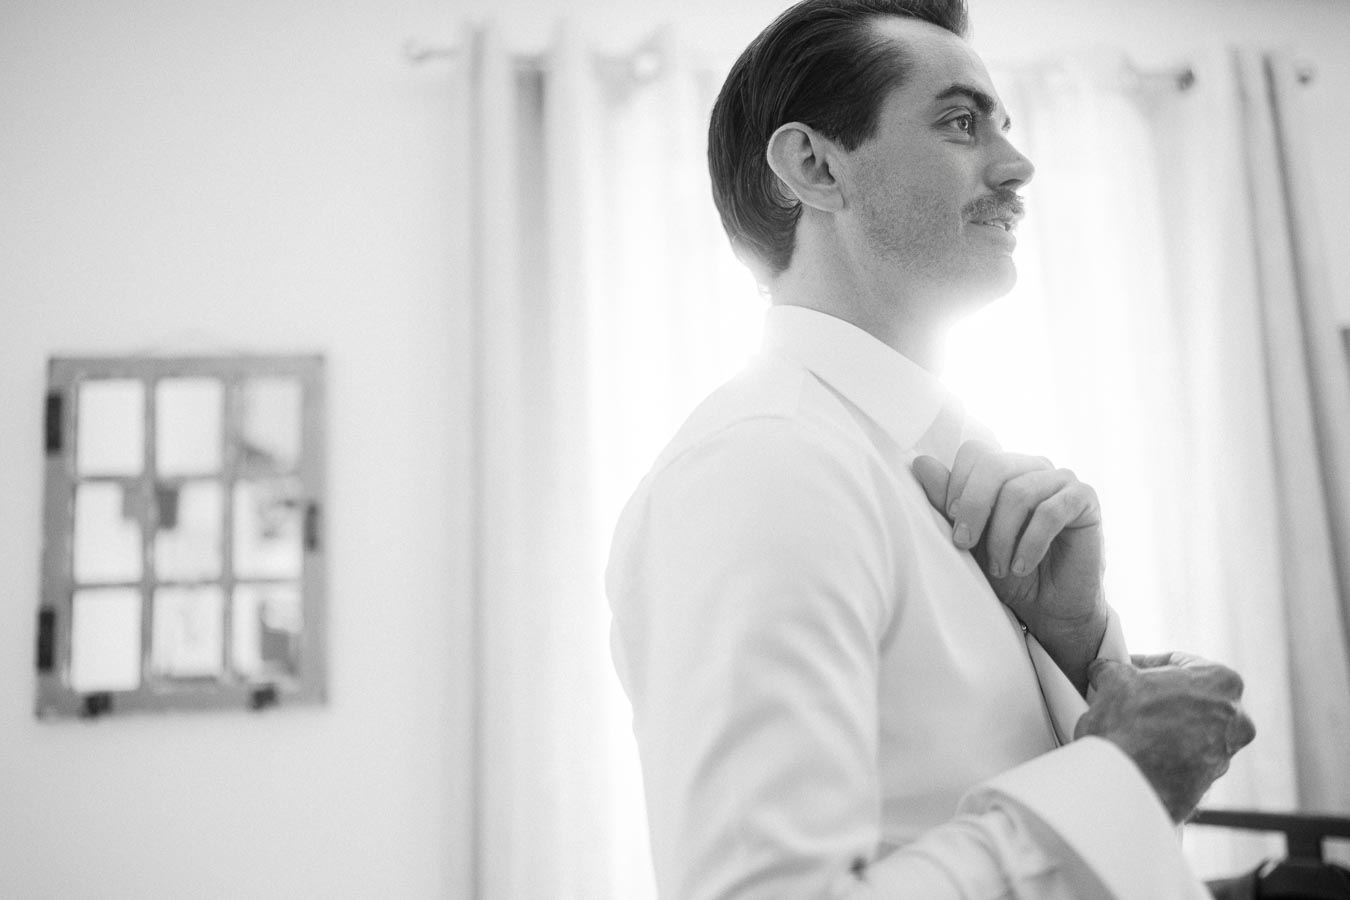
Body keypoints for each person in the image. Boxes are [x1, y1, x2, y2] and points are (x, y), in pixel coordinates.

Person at [606, 0, 1256, 896]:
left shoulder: (930, 469)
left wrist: (1071, 646)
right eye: (960, 123)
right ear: (814, 165)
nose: (1019, 165)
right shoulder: (769, 466)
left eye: (1004, 126)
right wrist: (1122, 780)